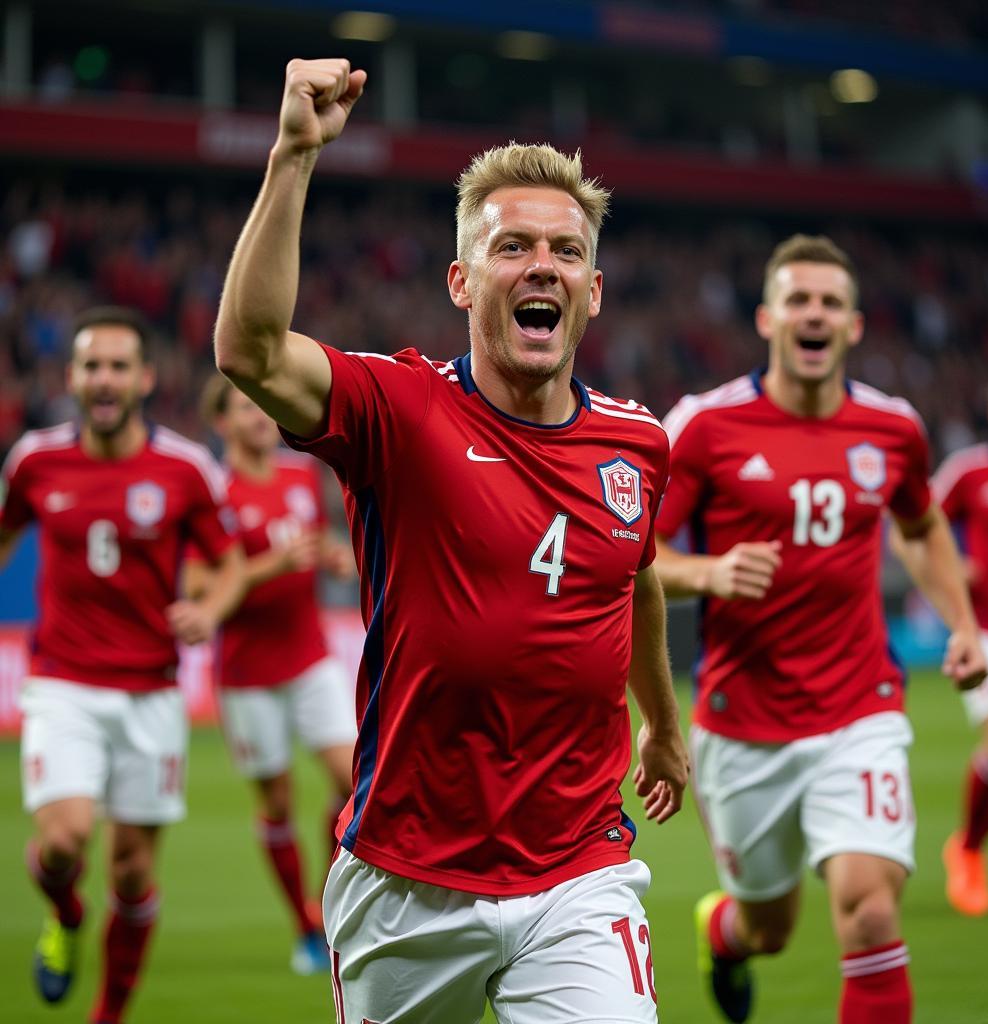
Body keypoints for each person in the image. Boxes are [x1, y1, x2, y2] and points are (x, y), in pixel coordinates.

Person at [212, 57, 689, 1024]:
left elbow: (631, 579)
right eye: (513, 247)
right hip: (406, 874)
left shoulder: (640, 442)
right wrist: (294, 156)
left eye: (562, 250)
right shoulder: (400, 409)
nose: (541, 266)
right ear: (461, 279)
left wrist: (666, 723)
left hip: (579, 869)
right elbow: (250, 351)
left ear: (592, 291)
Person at [653, 235, 987, 1024]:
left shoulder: (893, 427)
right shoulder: (705, 426)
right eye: (798, 300)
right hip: (743, 727)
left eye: (830, 302)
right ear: (768, 318)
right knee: (768, 927)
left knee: (871, 912)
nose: (814, 314)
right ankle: (725, 933)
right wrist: (707, 573)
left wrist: (962, 623)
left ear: (855, 325)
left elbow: (921, 526)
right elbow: (631, 554)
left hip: (860, 709)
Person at [0, 306, 244, 1024]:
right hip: (61, 683)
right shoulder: (35, 460)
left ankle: (107, 1015)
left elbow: (228, 565)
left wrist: (211, 609)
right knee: (63, 840)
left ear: (143, 378)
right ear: (72, 377)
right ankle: (66, 912)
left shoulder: (185, 468)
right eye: (91, 365)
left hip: (152, 693)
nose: (103, 379)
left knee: (134, 872)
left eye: (117, 366)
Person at [186, 374, 357, 973]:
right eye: (243, 408)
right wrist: (269, 566)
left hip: (310, 658)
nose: (260, 417)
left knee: (356, 780)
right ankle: (303, 924)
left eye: (263, 407)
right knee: (277, 802)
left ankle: (330, 902)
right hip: (248, 674)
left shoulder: (296, 473)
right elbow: (201, 587)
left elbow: (313, 539)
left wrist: (332, 553)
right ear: (221, 423)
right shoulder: (214, 492)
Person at [900, 365, 988, 916]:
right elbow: (918, 524)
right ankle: (968, 850)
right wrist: (954, 574)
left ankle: (972, 845)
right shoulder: (972, 472)